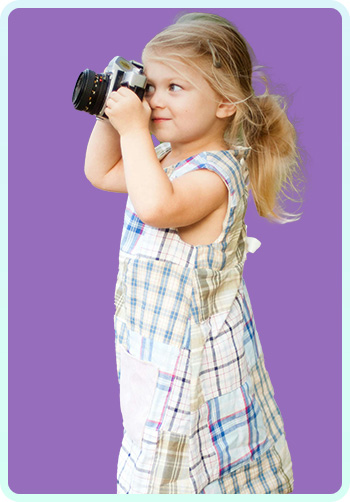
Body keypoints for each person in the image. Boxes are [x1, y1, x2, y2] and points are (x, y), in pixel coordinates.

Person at [84, 12, 302, 494]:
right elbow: (101, 173)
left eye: (174, 88)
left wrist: (135, 130)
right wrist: (111, 114)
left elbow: (159, 206)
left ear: (225, 102)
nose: (154, 100)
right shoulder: (161, 158)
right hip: (154, 349)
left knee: (199, 470)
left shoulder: (216, 175)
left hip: (198, 365)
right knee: (156, 449)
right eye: (150, 85)